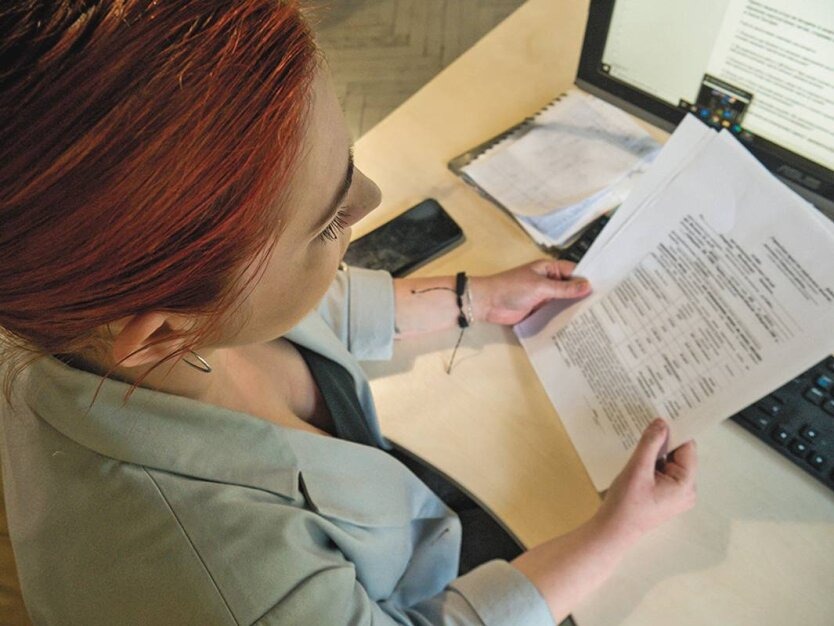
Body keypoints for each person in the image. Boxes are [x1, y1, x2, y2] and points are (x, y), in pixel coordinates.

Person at [0, 1, 697, 624]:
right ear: (161, 333)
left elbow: (308, 304)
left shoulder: (105, 316)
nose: (372, 198)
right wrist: (614, 532)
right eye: (331, 221)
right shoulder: (230, 582)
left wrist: (472, 297)